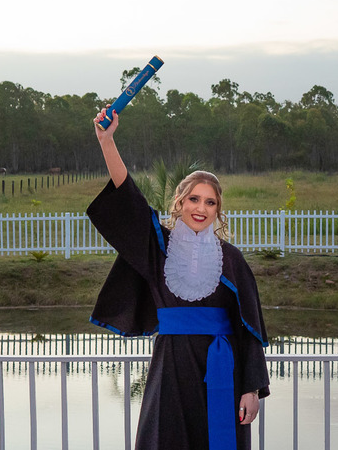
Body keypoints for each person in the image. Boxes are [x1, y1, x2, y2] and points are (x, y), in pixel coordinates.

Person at [87, 108, 270, 450]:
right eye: (194, 199)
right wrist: (107, 140)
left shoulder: (231, 259)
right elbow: (129, 198)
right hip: (169, 368)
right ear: (180, 202)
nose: (201, 208)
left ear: (218, 210)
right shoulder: (160, 248)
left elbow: (251, 329)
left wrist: (252, 389)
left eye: (210, 202)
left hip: (222, 369)